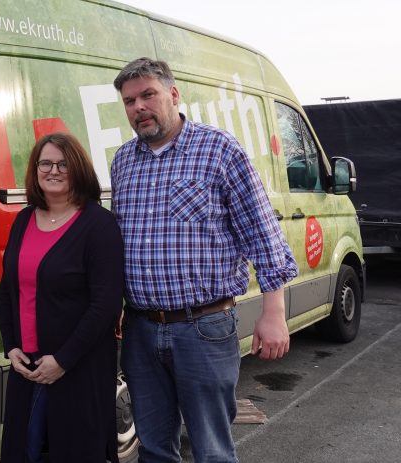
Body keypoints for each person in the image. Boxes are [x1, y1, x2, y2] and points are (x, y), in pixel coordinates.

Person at [110, 58, 299, 462]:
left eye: (148, 95)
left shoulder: (219, 149)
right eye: (129, 101)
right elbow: (119, 243)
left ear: (173, 95)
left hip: (204, 327)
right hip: (141, 330)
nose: (138, 107)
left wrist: (274, 311)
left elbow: (263, 233)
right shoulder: (123, 162)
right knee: (155, 448)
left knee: (211, 449)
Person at [0, 132, 124, 462]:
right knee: (25, 451)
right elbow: (9, 289)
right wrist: (11, 346)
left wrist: (63, 360)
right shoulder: (24, 219)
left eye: (63, 164)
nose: (53, 171)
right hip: (27, 367)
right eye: (45, 163)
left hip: (77, 369)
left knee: (74, 452)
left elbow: (106, 305)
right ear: (35, 170)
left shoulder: (99, 225)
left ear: (78, 169)